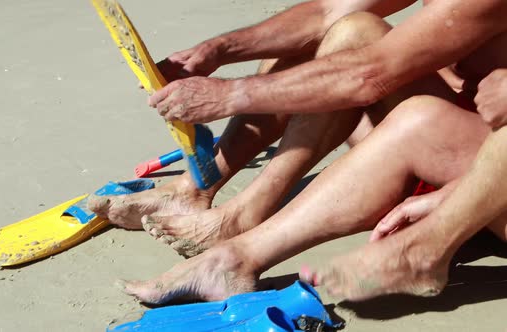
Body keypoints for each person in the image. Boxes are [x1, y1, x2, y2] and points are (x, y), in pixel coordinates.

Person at [106, 0, 507, 304]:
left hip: (483, 174)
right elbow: (326, 11)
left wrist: (230, 95)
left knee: (416, 115)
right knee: (351, 31)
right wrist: (219, 50)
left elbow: (371, 76)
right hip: (468, 143)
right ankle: (197, 190)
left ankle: (236, 253)